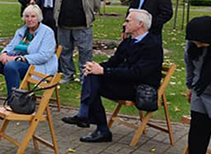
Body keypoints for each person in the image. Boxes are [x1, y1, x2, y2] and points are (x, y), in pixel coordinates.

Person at [62, 9, 162, 143]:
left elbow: (138, 74)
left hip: (139, 88)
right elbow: (113, 62)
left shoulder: (152, 45)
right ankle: (93, 122)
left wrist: (103, 71)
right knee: (92, 76)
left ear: (140, 24)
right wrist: (95, 67)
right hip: (124, 82)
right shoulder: (128, 42)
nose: (124, 24)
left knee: (94, 81)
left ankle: (91, 120)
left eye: (127, 21)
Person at [0, 4, 57, 113]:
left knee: (11, 66)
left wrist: (19, 59)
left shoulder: (47, 32)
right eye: (27, 16)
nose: (29, 19)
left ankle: (13, 104)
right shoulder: (22, 31)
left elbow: (44, 56)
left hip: (36, 66)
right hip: (16, 60)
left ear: (39, 18)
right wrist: (4, 53)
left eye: (33, 16)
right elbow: (11, 46)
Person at [183, 16, 211, 154]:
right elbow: (190, 65)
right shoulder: (192, 44)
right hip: (201, 91)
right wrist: (190, 86)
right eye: (194, 42)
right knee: (198, 129)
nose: (197, 45)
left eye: (201, 42)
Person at [54, 0, 101, 84]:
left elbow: (96, 0)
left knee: (85, 51)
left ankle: (85, 76)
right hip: (63, 25)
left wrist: (92, 13)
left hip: (82, 25)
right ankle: (68, 75)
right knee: (64, 51)